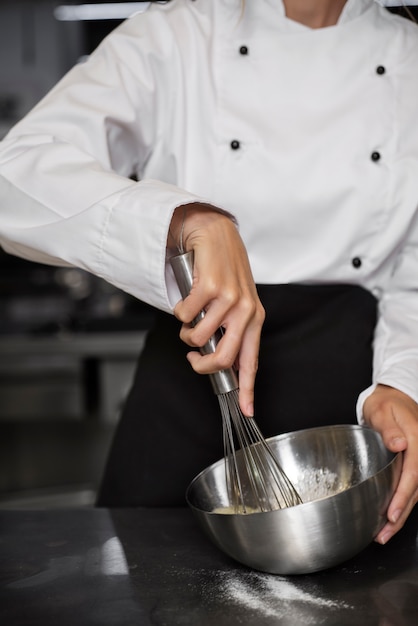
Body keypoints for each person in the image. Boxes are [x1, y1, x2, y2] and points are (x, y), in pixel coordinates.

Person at [0, 0, 418, 545]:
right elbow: (15, 178)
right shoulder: (178, 33)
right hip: (190, 397)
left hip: (352, 421)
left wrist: (403, 382)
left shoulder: (409, 56)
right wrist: (182, 218)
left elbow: (413, 271)